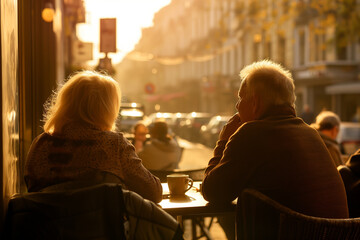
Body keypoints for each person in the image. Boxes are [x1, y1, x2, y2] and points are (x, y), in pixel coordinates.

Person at [201, 60, 348, 238]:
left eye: (241, 98)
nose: (237, 106)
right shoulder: (310, 133)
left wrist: (223, 140)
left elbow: (212, 191)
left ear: (255, 102)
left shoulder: (251, 133)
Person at [24, 71, 162, 203]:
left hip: (47, 226)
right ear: (107, 109)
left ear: (66, 104)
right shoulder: (114, 144)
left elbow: (33, 192)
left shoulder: (42, 144)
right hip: (102, 227)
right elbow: (153, 192)